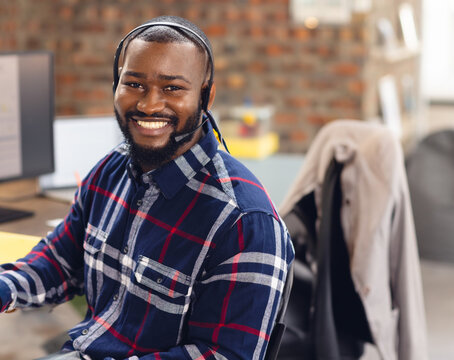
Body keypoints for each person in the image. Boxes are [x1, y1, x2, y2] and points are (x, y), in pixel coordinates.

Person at [0, 15, 294, 360]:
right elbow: (60, 260)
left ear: (206, 96)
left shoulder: (245, 222)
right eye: (135, 84)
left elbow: (224, 356)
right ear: (116, 86)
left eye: (173, 88)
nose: (149, 104)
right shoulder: (110, 171)